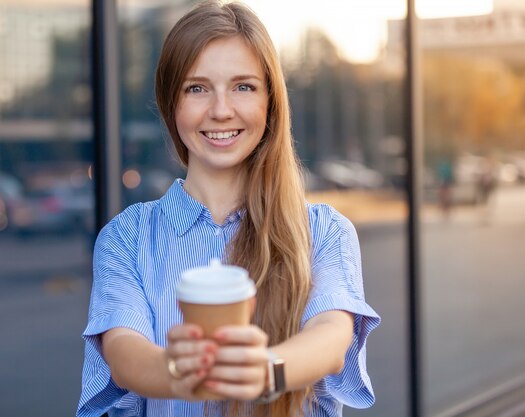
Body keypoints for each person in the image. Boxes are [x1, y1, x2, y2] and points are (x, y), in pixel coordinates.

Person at [77, 1, 380, 416]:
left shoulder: (325, 232)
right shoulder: (127, 238)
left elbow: (331, 338)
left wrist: (266, 371)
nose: (221, 110)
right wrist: (178, 373)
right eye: (197, 88)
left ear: (270, 102)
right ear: (172, 105)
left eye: (243, 86)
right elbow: (124, 353)